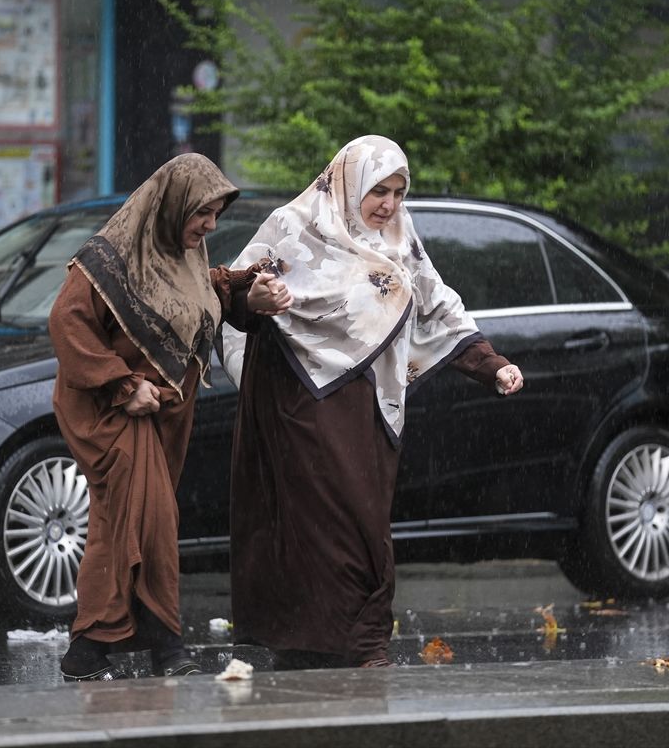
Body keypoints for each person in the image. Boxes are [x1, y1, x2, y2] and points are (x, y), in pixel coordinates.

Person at [222, 135, 523, 670]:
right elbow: (233, 296)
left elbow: (436, 305)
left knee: (365, 526)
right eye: (377, 190)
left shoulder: (400, 242)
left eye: (399, 193)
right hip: (300, 406)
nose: (388, 204)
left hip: (366, 409)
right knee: (314, 529)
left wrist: (492, 364)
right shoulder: (292, 227)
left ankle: (353, 643)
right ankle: (330, 648)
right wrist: (255, 300)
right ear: (346, 184)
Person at [49, 153, 292, 681]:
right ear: (171, 206)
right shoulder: (105, 259)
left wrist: (252, 294)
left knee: (125, 520)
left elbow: (205, 301)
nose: (210, 226)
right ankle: (163, 642)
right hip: (111, 412)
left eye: (216, 216)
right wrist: (124, 385)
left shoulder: (183, 259)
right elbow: (67, 324)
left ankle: (91, 647)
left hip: (162, 416)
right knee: (150, 517)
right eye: (201, 213)